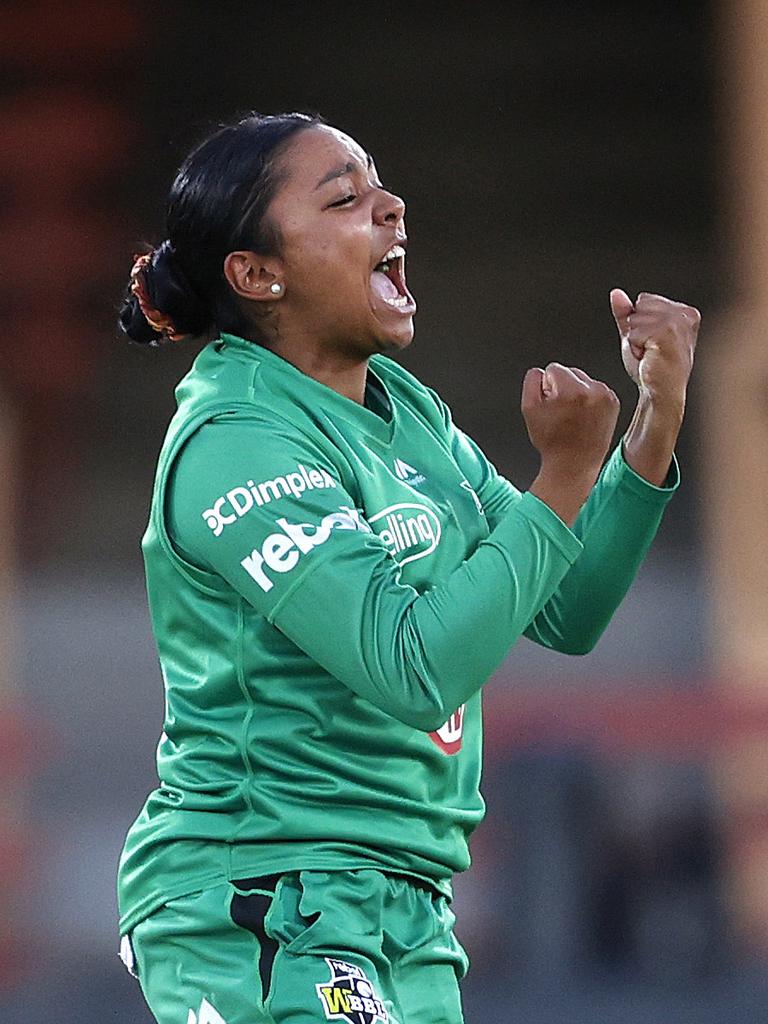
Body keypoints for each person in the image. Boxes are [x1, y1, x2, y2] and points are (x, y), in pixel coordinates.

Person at [116, 111, 699, 1024]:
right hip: (258, 900)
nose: (391, 207)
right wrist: (564, 474)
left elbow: (568, 605)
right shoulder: (236, 440)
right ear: (257, 274)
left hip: (406, 910)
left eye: (381, 186)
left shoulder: (404, 410)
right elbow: (414, 667)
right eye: (346, 198)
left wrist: (652, 422)